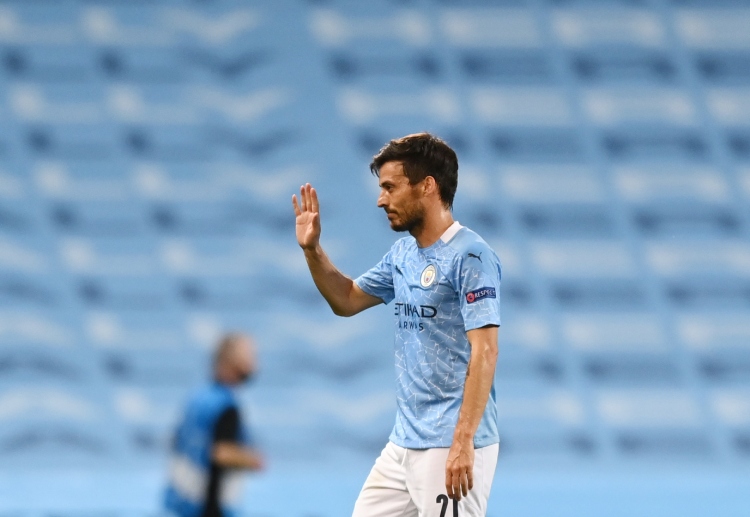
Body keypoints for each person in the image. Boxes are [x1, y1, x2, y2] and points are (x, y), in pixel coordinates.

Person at [292, 133, 501, 516]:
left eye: (390, 187)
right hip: (404, 442)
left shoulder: (471, 256)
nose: (380, 199)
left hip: (449, 444)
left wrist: (463, 442)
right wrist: (312, 250)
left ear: (427, 186)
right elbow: (346, 299)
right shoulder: (403, 253)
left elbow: (485, 350)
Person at [165, 333, 264, 517]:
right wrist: (252, 460)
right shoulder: (226, 407)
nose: (254, 363)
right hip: (209, 507)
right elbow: (221, 452)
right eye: (249, 355)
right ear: (230, 360)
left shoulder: (198, 397)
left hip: (180, 503)